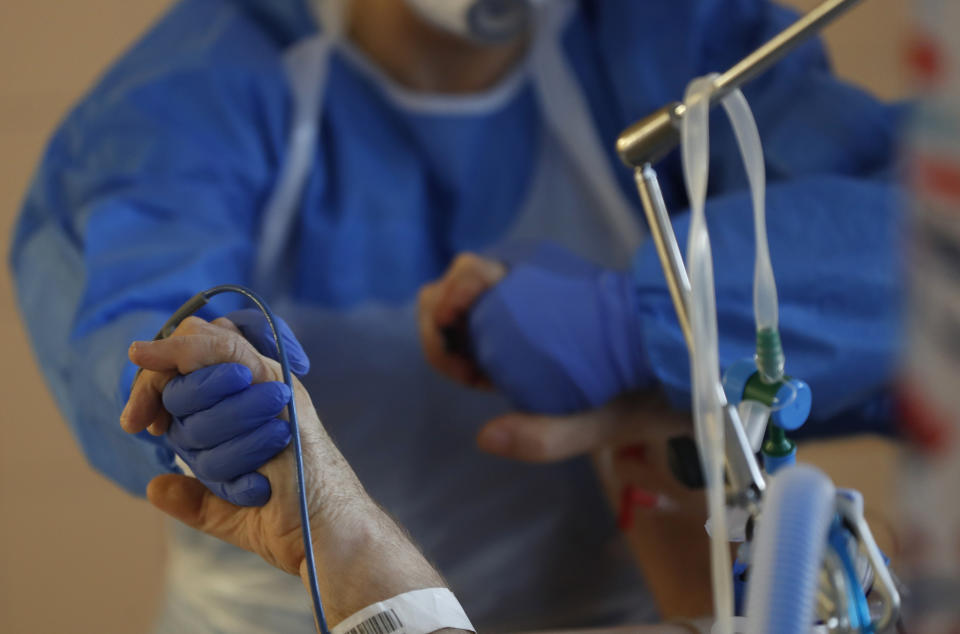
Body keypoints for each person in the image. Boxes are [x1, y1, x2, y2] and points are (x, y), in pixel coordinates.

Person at [9, 0, 904, 631]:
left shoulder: (670, 36)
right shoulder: (196, 94)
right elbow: (130, 297)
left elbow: (917, 249)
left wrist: (638, 330)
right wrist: (191, 388)